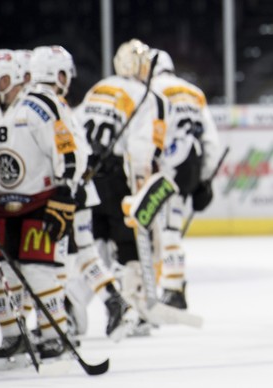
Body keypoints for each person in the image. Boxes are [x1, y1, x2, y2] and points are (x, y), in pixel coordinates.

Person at [29, 45, 139, 342]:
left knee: (59, 258)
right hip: (80, 189)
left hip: (64, 190)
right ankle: (111, 301)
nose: (68, 79)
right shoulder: (56, 104)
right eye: (64, 72)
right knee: (85, 254)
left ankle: (60, 319)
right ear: (55, 73)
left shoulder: (41, 104)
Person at [0, 48, 87, 368]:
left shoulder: (40, 106)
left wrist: (65, 191)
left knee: (40, 270)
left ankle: (52, 333)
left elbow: (68, 149)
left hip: (41, 201)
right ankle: (13, 335)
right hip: (0, 205)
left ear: (17, 78)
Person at [75, 39, 167, 335]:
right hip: (118, 177)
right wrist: (140, 189)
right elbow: (142, 149)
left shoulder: (98, 89)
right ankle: (133, 313)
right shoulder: (144, 95)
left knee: (93, 247)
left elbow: (75, 127)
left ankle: (71, 310)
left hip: (88, 177)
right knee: (130, 246)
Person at [149, 48, 220, 310]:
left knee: (165, 229)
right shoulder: (194, 92)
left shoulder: (149, 89)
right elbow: (211, 141)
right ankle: (171, 284)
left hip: (164, 167)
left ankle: (173, 287)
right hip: (190, 165)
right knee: (172, 226)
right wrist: (204, 180)